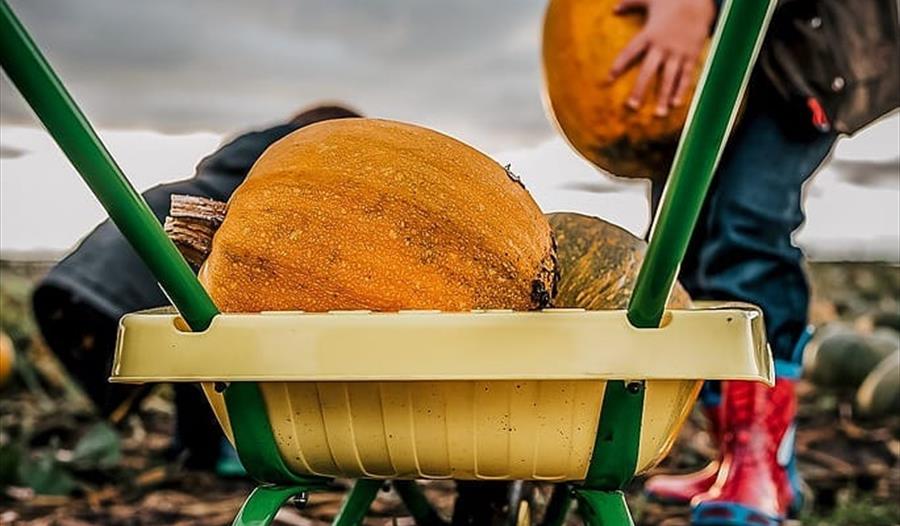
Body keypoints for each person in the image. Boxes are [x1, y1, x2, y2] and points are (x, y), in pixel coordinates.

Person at [606, 0, 898, 524]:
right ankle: (733, 460)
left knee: (748, 224)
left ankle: (761, 463)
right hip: (718, 58)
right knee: (683, 244)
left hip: (807, 42)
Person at [32, 103, 362, 471]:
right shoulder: (288, 172)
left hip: (60, 292)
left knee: (185, 360)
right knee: (207, 350)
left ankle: (181, 452)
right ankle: (213, 455)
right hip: (116, 296)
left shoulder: (239, 157)